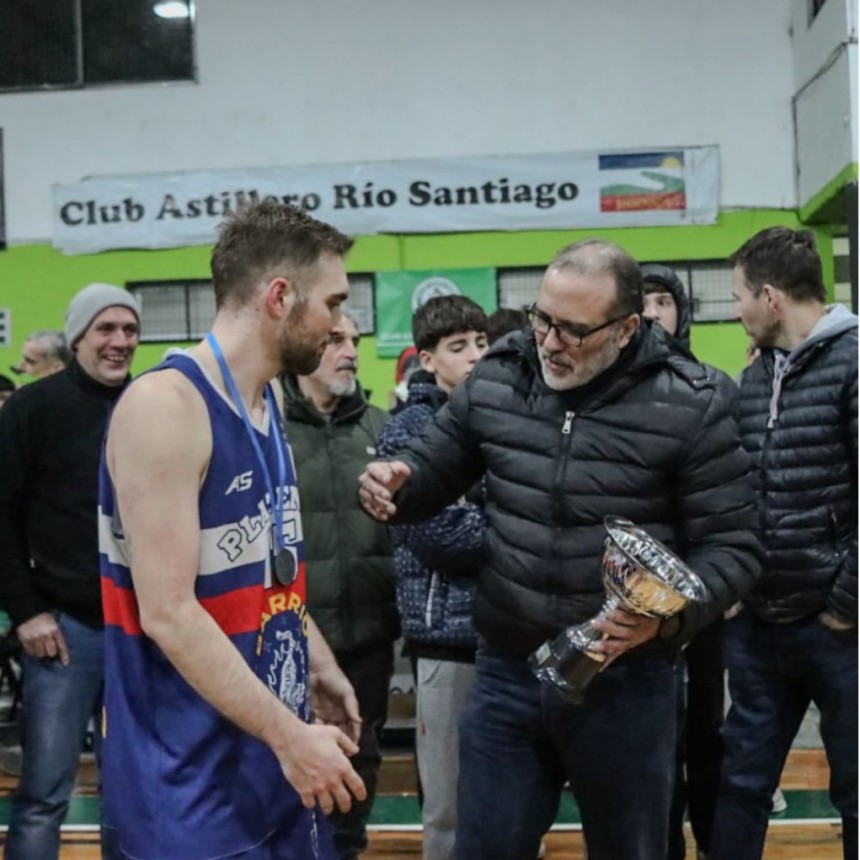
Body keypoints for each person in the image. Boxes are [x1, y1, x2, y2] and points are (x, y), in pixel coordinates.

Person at [358, 239, 762, 860]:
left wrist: (664, 619)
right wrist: (399, 482)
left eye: (573, 330)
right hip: (507, 675)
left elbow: (734, 551)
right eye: (541, 319)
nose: (549, 342)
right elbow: (433, 468)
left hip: (627, 685)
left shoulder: (694, 401)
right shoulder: (499, 376)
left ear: (627, 328)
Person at [98, 201, 366, 860]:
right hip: (189, 785)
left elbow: (262, 567)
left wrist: (318, 660)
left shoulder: (267, 400)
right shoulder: (164, 407)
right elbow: (169, 613)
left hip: (271, 761)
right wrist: (288, 734)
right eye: (331, 304)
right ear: (280, 297)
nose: (338, 326)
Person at [711, 227, 857, 860]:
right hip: (758, 627)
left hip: (839, 630)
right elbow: (738, 491)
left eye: (739, 295)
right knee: (740, 785)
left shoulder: (854, 362)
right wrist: (735, 586)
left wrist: (846, 604)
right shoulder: (753, 377)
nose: (735, 309)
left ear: (770, 297)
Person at [0, 283, 141, 860]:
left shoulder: (152, 405)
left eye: (130, 330)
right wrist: (28, 611)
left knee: (133, 792)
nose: (120, 342)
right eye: (105, 329)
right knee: (43, 795)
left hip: (141, 633)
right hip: (62, 634)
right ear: (79, 336)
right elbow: (1, 516)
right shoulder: (33, 410)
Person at [282, 313, 398, 860]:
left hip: (368, 634)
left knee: (359, 760)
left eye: (354, 340)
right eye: (335, 340)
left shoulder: (382, 426)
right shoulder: (269, 426)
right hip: (290, 633)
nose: (350, 350)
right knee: (287, 763)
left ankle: (345, 852)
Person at [377, 295, 488, 860]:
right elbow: (439, 535)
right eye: (458, 347)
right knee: (446, 805)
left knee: (502, 801)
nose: (474, 356)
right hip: (445, 640)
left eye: (482, 343)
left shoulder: (498, 419)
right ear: (427, 360)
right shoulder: (408, 432)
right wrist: (513, 531)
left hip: (507, 635)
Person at [641, 263, 727, 860]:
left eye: (662, 301)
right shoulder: (611, 393)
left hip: (707, 600)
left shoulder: (714, 386)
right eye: (641, 302)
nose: (652, 313)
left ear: (681, 311)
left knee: (707, 736)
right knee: (652, 747)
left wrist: (732, 576)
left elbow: (739, 494)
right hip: (638, 603)